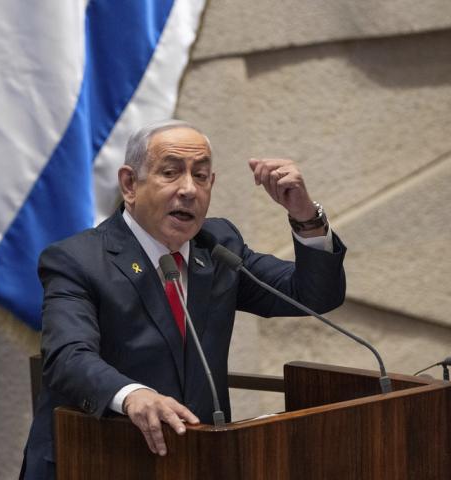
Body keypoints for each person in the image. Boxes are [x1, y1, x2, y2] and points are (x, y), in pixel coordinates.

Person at [19, 120, 346, 479]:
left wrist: (305, 217)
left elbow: (314, 296)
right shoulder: (77, 260)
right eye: (171, 173)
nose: (189, 189)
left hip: (194, 460)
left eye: (201, 176)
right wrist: (131, 395)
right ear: (130, 184)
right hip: (95, 458)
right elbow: (67, 356)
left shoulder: (218, 246)